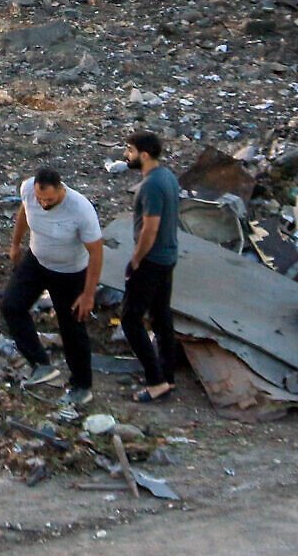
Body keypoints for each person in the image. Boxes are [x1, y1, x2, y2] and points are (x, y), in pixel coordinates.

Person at [1, 165, 103, 407]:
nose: (44, 204)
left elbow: (97, 252)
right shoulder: (28, 189)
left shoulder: (80, 209)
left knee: (71, 327)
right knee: (12, 306)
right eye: (40, 199)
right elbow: (24, 212)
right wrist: (15, 244)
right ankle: (40, 364)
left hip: (70, 272)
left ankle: (81, 385)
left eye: (49, 200)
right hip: (37, 261)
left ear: (61, 189)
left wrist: (89, 294)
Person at [120, 131, 181, 403]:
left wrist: (135, 259)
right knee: (160, 316)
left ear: (144, 155)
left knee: (131, 320)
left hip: (151, 260)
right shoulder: (167, 176)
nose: (126, 155)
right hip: (167, 257)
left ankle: (156, 382)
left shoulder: (151, 186)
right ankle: (167, 376)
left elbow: (150, 228)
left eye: (130, 151)